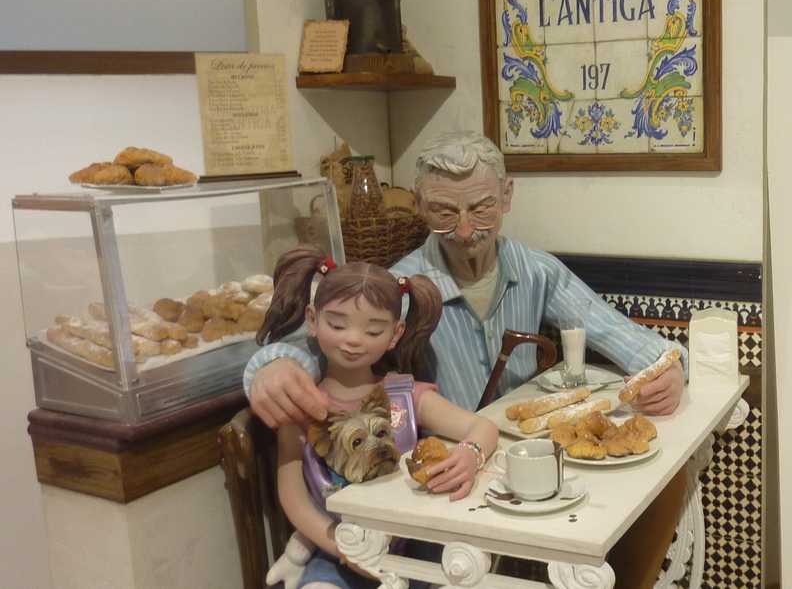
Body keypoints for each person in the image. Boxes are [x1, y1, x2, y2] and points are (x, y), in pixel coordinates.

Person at [244, 131, 687, 428]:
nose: (462, 230)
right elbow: (329, 341)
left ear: (506, 196)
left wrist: (669, 369)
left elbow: (620, 333)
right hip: (444, 464)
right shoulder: (400, 286)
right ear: (418, 204)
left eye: (480, 209)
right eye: (443, 211)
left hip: (525, 450)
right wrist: (275, 364)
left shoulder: (536, 270)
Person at [263, 246, 498, 589]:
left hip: (409, 555)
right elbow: (294, 496)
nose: (353, 340)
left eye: (373, 331)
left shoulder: (406, 395)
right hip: (336, 555)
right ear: (312, 320)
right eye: (338, 324)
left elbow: (483, 426)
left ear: (396, 334)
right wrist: (343, 549)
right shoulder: (301, 405)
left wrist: (470, 454)